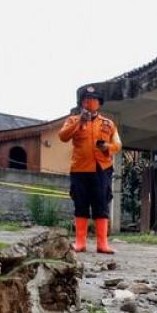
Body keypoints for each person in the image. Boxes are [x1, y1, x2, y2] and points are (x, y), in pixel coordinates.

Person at [58, 86, 121, 253]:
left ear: (99, 103)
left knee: (101, 203)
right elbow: (63, 136)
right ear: (82, 103)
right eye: (87, 100)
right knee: (81, 203)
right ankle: (80, 242)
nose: (90, 102)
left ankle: (102, 244)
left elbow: (118, 144)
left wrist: (108, 147)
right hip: (79, 168)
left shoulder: (109, 124)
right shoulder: (72, 120)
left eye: (93, 100)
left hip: (102, 169)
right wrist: (80, 121)